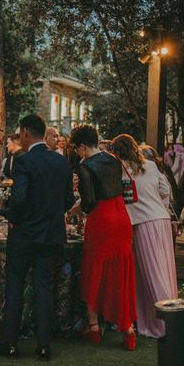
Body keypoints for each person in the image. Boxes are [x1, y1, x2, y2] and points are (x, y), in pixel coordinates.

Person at [0, 115, 75, 361]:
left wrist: (9, 214)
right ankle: (43, 346)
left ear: (27, 133)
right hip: (51, 233)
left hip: (24, 232)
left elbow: (19, 198)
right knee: (43, 288)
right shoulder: (61, 163)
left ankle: (10, 343)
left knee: (15, 285)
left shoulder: (24, 161)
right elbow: (69, 201)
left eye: (20, 133)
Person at [69, 124, 137, 350]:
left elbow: (89, 202)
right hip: (122, 218)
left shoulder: (85, 166)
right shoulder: (114, 159)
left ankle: (94, 327)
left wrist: (71, 211)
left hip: (102, 221)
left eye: (75, 148)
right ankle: (128, 329)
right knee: (120, 272)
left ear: (81, 147)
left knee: (95, 270)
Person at [113, 135, 178, 338]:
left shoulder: (119, 170)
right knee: (162, 269)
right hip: (161, 221)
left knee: (148, 273)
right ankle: (166, 317)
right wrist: (161, 207)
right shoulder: (149, 164)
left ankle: (166, 323)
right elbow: (165, 189)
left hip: (141, 224)